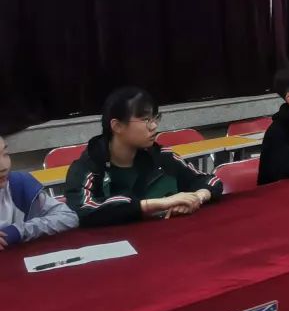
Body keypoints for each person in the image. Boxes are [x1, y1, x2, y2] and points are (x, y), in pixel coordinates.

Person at [64, 87, 224, 226]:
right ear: (117, 126)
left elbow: (210, 181)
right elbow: (81, 210)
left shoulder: (161, 157)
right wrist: (156, 204)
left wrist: (196, 197)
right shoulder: (88, 167)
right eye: (146, 120)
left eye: (155, 118)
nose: (154, 126)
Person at [0, 134, 77, 249]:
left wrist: (20, 230)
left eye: (5, 154)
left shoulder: (19, 185)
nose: (4, 166)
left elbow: (68, 217)